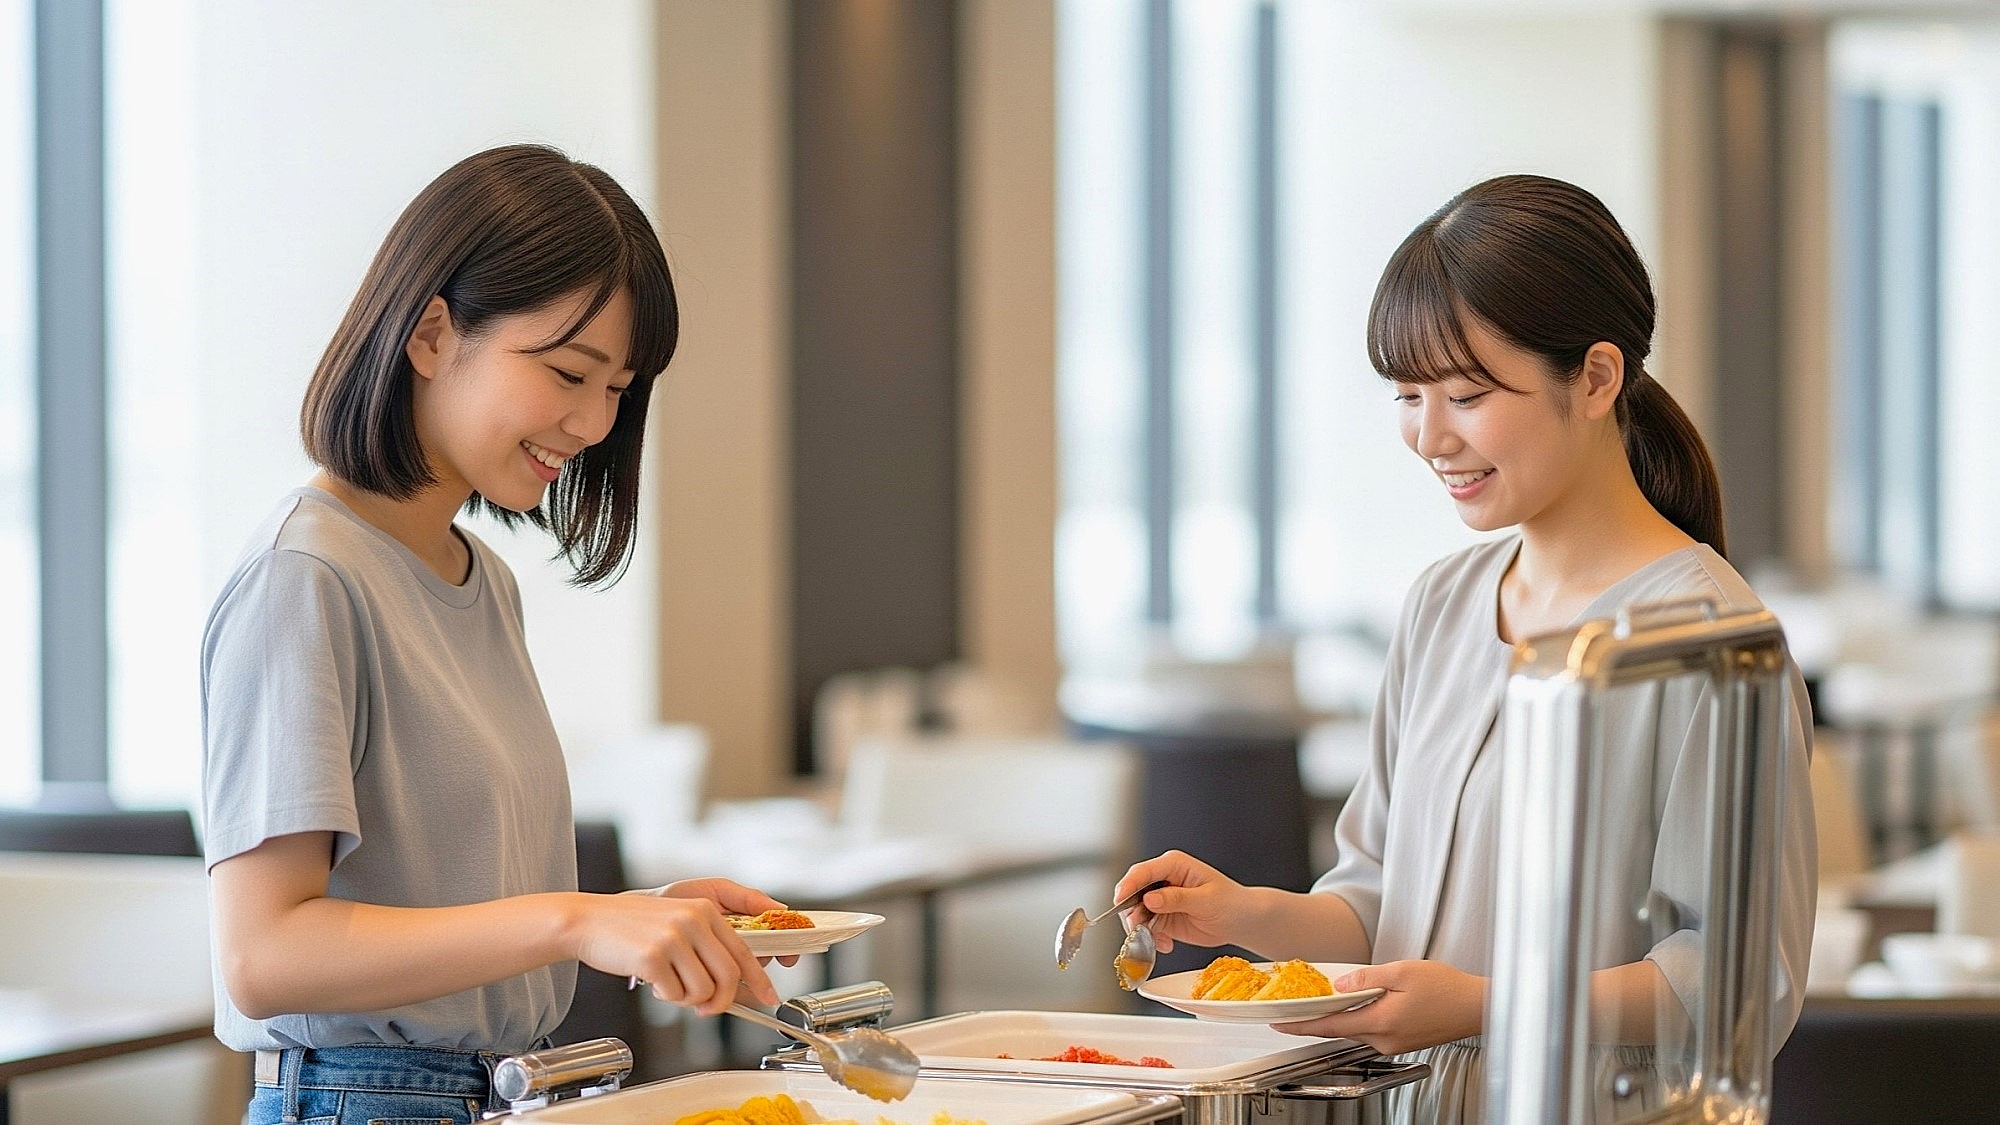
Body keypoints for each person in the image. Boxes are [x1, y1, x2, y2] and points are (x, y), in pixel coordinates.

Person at [1113, 174, 1817, 1123]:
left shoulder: (1709, 642)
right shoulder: (1441, 606)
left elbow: (1740, 982)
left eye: (1467, 393)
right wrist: (1244, 915)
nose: (1430, 435)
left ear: (1598, 377)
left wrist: (1486, 1005)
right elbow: (1374, 907)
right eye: (1408, 394)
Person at [201, 145, 790, 1125]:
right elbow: (264, 957)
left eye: (618, 388)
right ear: (431, 334)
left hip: (505, 1091)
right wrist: (573, 920)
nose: (596, 422)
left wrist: (637, 921)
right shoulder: (302, 576)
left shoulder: (479, 580)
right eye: (568, 372)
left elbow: (451, 907)